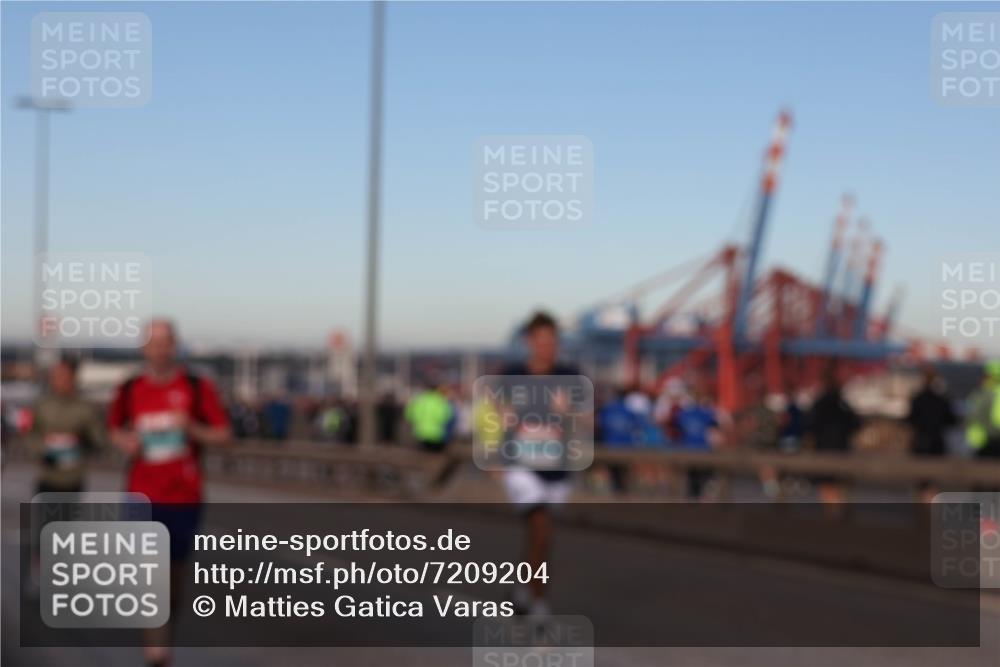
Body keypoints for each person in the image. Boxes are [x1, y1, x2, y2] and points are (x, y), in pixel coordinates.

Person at [108, 319, 231, 667]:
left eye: (165, 342)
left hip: (183, 496)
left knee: (173, 583)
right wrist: (124, 441)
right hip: (140, 494)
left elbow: (224, 436)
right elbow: (113, 428)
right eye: (152, 342)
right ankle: (156, 653)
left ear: (174, 345)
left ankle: (163, 641)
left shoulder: (196, 386)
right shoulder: (130, 389)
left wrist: (190, 427)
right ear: (143, 348)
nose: (159, 349)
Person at [500, 311, 583, 617]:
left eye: (553, 341)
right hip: (521, 464)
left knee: (539, 537)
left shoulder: (570, 375)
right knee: (541, 526)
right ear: (529, 342)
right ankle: (538, 602)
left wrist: (568, 411)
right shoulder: (511, 375)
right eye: (542, 340)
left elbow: (587, 419)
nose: (548, 347)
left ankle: (522, 588)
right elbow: (494, 415)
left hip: (557, 465)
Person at [31, 357, 104, 494]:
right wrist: (43, 449)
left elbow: (99, 439)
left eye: (64, 376)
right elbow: (32, 434)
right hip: (47, 476)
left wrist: (80, 442)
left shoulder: (86, 408)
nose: (60, 381)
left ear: (73, 378)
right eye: (56, 377)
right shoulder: (43, 406)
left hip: (73, 478)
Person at [806, 365, 860, 516]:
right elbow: (855, 423)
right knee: (840, 485)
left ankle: (832, 517)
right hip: (841, 449)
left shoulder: (819, 404)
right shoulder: (842, 404)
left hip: (823, 448)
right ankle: (839, 516)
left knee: (827, 485)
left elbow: (810, 426)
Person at [907, 365, 958, 501]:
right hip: (937, 444)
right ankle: (930, 510)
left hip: (921, 443)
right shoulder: (942, 399)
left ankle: (924, 513)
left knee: (922, 482)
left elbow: (910, 420)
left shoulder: (918, 398)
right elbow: (952, 421)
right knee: (934, 482)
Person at [674, 386, 721, 499]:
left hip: (688, 449)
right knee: (704, 477)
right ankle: (701, 499)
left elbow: (678, 429)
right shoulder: (705, 413)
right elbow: (715, 426)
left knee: (692, 478)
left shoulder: (683, 414)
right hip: (703, 449)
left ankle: (692, 499)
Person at [404, 381, 454, 452]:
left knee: (423, 455)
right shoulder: (440, 401)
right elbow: (448, 416)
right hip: (436, 433)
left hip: (420, 432)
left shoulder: (419, 400)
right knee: (435, 456)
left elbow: (409, 414)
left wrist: (417, 422)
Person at [966, 360, 1000, 460]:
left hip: (987, 440)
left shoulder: (984, 394)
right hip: (986, 440)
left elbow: (973, 416)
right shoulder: (984, 393)